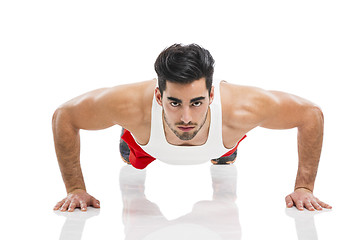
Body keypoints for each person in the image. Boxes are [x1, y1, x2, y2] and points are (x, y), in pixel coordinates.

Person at [52, 43, 332, 212]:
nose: (186, 117)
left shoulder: (242, 108)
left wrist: (304, 188)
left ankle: (224, 151)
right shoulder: (129, 106)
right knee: (133, 162)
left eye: (197, 102)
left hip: (221, 135)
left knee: (225, 163)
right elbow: (64, 116)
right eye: (174, 103)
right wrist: (75, 188)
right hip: (148, 141)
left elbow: (311, 115)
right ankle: (133, 144)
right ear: (159, 97)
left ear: (212, 96)